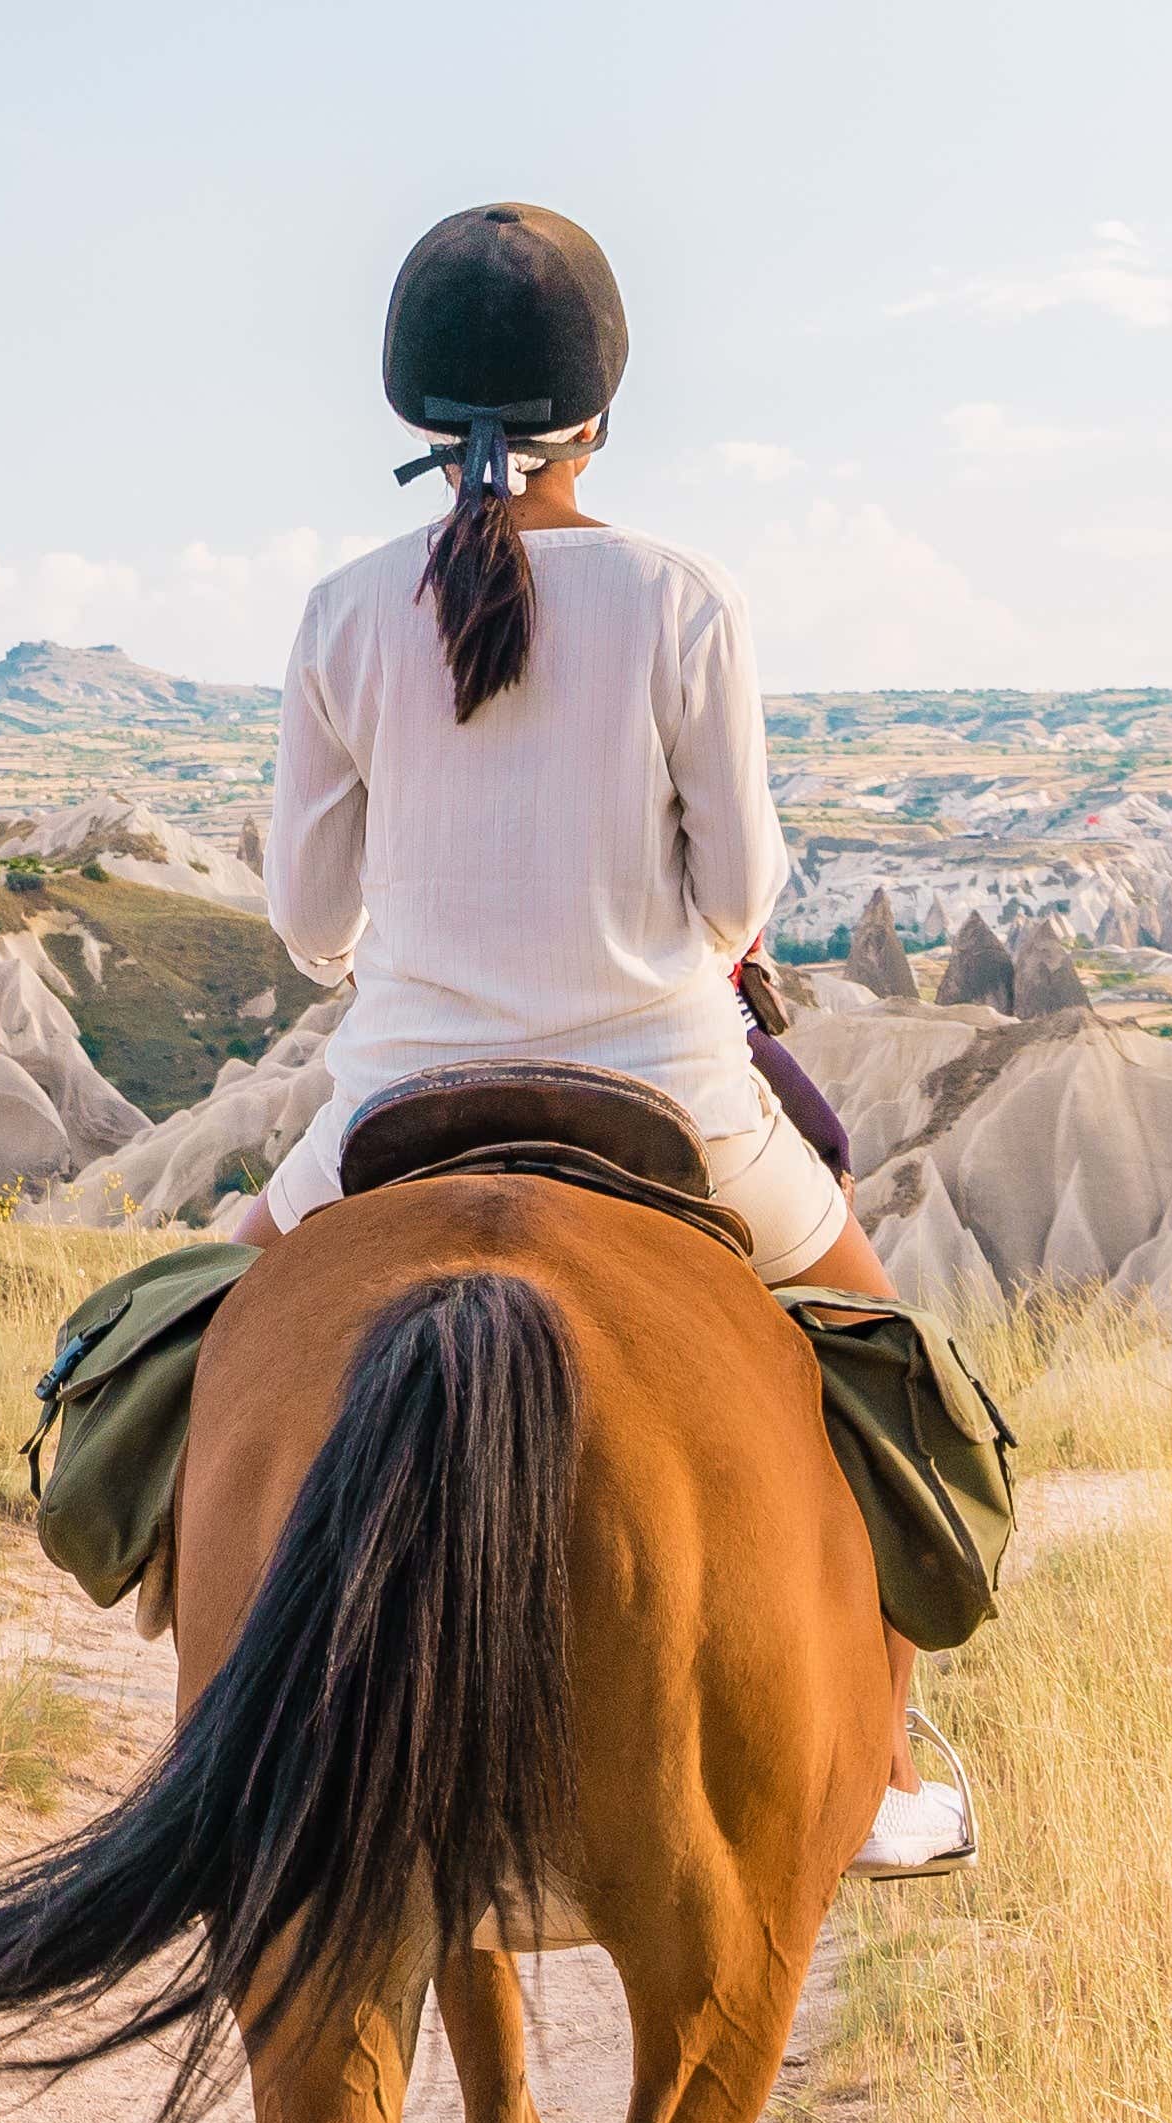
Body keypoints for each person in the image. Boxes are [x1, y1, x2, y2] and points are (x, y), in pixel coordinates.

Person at [229, 202, 966, 1876]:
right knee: (885, 1350)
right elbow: (741, 891)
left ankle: (213, 1720)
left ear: (414, 421)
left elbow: (308, 921)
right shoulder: (681, 597)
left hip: (387, 1110)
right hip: (673, 1101)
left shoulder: (344, 614)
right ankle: (888, 1769)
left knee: (199, 1341)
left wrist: (408, 948)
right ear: (603, 413)